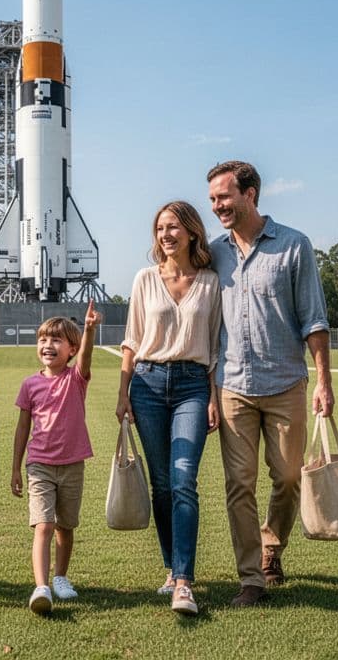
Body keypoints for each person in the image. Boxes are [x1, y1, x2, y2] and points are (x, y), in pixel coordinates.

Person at [206, 160, 333, 608]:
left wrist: (323, 381)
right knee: (239, 484)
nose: (217, 206)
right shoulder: (214, 253)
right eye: (213, 200)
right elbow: (206, 328)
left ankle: (271, 547)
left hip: (285, 385)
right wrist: (209, 390)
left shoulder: (294, 247)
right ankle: (251, 578)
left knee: (288, 478)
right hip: (233, 387)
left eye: (224, 197)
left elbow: (314, 319)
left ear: (251, 194)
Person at [115, 200, 222, 616]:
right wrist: (123, 393)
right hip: (147, 384)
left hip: (193, 386)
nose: (166, 234)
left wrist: (213, 395)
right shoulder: (144, 279)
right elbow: (131, 340)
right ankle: (170, 567)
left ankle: (183, 582)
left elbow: (214, 346)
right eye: (160, 228)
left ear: (192, 232)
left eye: (174, 226)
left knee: (182, 479)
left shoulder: (211, 282)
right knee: (162, 484)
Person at [11, 302, 100, 615]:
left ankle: (60, 577)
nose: (48, 345)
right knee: (44, 525)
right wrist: (15, 469)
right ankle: (41, 585)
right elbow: (22, 429)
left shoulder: (76, 378)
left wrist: (89, 329)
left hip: (73, 464)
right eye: (43, 340)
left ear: (71, 349)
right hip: (39, 465)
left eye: (56, 340)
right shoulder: (29, 385)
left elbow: (87, 358)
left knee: (66, 526)